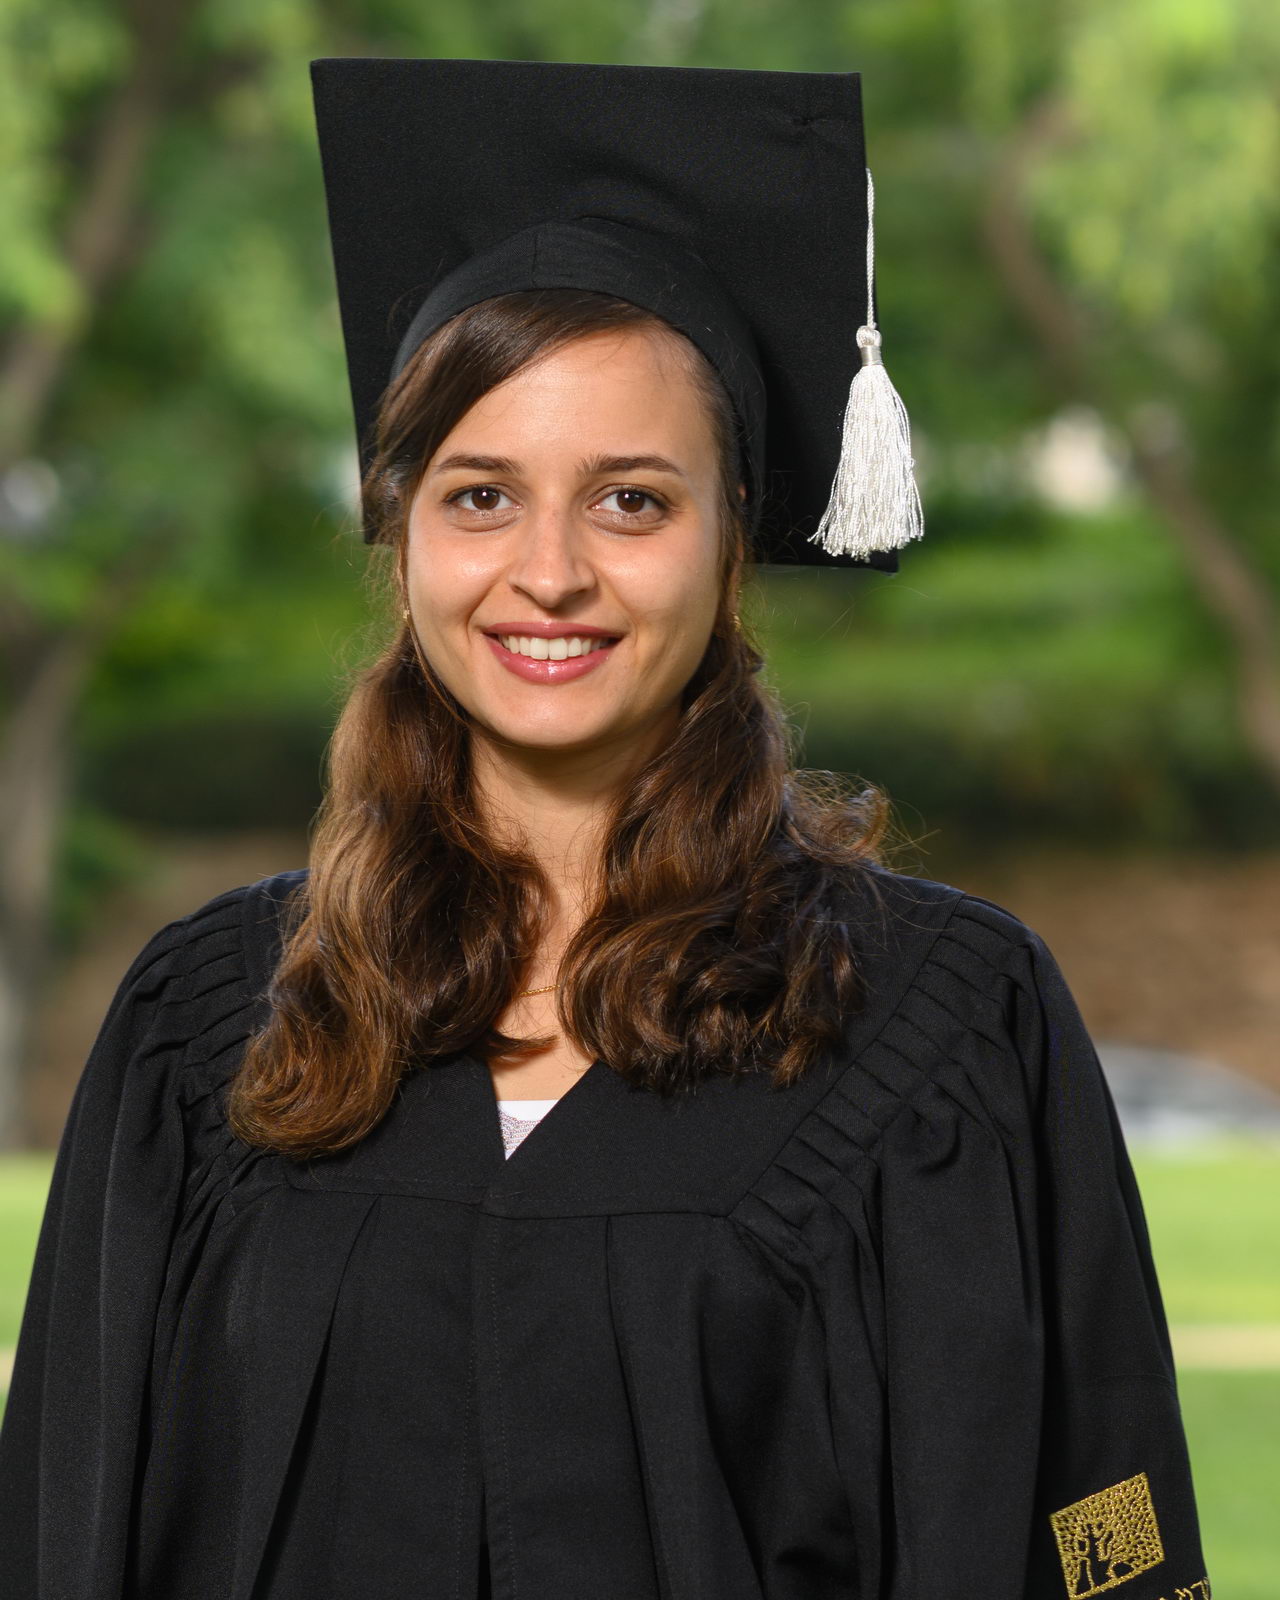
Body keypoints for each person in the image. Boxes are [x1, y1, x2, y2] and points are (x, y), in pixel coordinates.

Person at [0, 56, 1212, 1600]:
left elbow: (1094, 1517)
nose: (551, 572)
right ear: (401, 532)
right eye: (480, 496)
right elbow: (64, 1528)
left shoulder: (945, 1025)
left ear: (734, 537)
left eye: (633, 500)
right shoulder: (208, 1025)